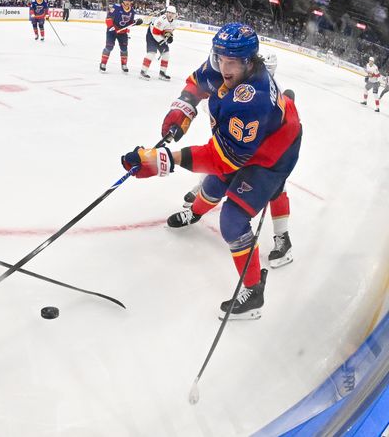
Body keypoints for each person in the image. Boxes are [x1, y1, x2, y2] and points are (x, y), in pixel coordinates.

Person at [122, 23, 302, 320]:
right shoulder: (226, 62)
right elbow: (198, 81)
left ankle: (254, 292)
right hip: (258, 137)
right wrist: (184, 108)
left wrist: (161, 160)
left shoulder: (251, 100)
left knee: (232, 219)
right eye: (220, 59)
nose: (223, 67)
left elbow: (224, 161)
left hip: (274, 154)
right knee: (214, 185)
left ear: (249, 62)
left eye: (231, 62)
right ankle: (196, 212)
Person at [169, 51, 294, 268]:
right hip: (239, 144)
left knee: (277, 189)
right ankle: (196, 208)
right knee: (216, 175)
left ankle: (283, 237)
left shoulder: (261, 91)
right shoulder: (229, 78)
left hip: (268, 153)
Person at [99, 0, 142, 74]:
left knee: (124, 49)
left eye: (129, 1)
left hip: (123, 32)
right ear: (123, 0)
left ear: (131, 2)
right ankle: (103, 63)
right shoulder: (116, 7)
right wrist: (111, 27)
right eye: (126, 0)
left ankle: (124, 65)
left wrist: (135, 22)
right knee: (109, 47)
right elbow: (108, 18)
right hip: (112, 30)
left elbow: (130, 23)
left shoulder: (132, 11)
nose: (127, 2)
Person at [140, 5, 177, 81]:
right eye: (169, 13)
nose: (170, 15)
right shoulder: (161, 20)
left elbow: (168, 32)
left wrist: (169, 37)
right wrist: (162, 41)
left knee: (166, 54)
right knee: (151, 53)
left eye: (172, 13)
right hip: (151, 35)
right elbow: (155, 32)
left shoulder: (174, 23)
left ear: (175, 14)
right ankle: (143, 71)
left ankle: (162, 73)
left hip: (159, 36)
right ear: (166, 13)